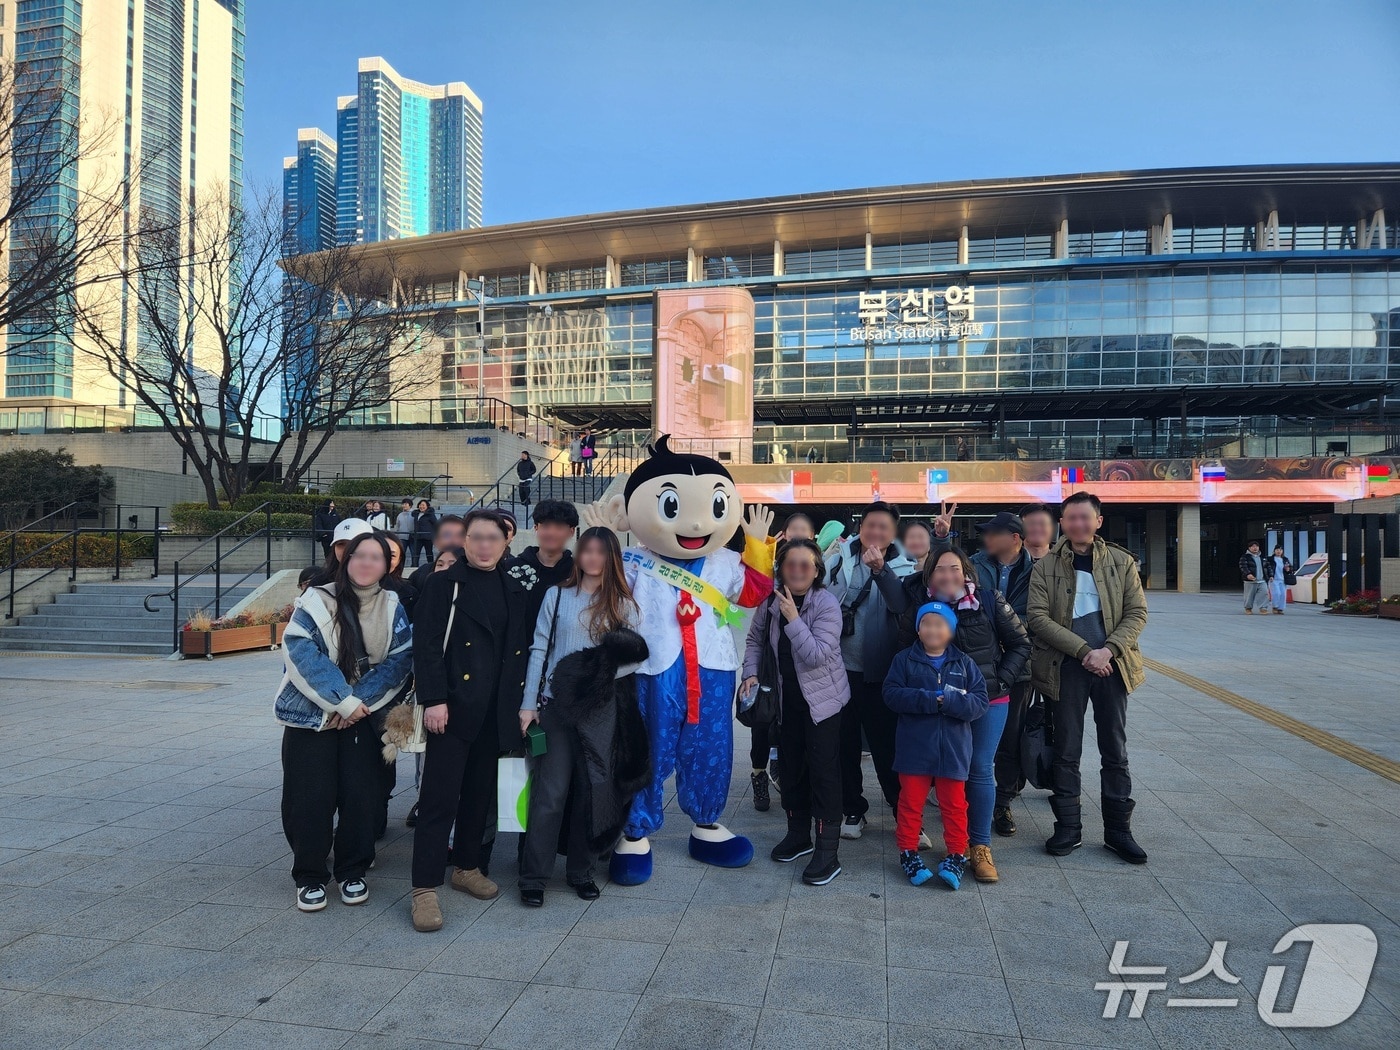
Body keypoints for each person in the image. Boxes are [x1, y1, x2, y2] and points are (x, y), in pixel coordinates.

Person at [408, 509, 539, 932]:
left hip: (497, 711)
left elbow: (520, 649)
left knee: (479, 795)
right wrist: (434, 699)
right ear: (464, 542)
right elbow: (426, 647)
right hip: (454, 706)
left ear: (505, 543)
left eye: (493, 538)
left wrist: (524, 706)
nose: (485, 545)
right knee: (439, 799)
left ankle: (466, 866)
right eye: (477, 537)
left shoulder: (513, 587)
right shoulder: (443, 584)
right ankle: (424, 887)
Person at [275, 532, 413, 912]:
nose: (367, 563)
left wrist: (355, 705)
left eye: (377, 557)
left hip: (363, 718)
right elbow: (302, 652)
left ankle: (353, 870)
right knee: (309, 798)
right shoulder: (316, 599)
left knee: (362, 796)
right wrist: (342, 701)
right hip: (311, 716)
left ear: (388, 565)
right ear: (346, 558)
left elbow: (399, 661)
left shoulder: (392, 605)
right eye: (360, 555)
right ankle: (310, 875)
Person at [517, 527, 646, 905]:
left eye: (601, 552)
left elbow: (633, 659)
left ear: (612, 558)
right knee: (550, 792)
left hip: (601, 710)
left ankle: (581, 871)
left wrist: (597, 678)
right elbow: (539, 649)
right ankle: (533, 877)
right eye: (586, 550)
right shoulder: (556, 596)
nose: (592, 558)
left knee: (594, 792)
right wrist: (528, 704)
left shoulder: (624, 603)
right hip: (555, 707)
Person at [1027, 491, 1149, 864]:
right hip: (1066, 668)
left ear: (1098, 520)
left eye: (1085, 517)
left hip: (1112, 666)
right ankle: (1068, 828)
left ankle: (1118, 831)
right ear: (1061, 523)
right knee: (1066, 749)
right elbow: (1038, 618)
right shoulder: (1045, 565)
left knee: (1115, 749)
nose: (1077, 524)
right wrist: (1084, 652)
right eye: (1070, 518)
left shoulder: (1121, 561)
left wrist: (1107, 651)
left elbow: (1137, 613)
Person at [902, 547, 1028, 883]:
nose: (947, 575)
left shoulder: (989, 599)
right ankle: (954, 844)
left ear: (966, 571)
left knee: (979, 768)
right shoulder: (924, 607)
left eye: (954, 568)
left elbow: (1020, 643)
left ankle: (980, 847)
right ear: (929, 576)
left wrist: (1000, 680)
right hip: (943, 702)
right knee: (946, 771)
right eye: (939, 569)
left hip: (988, 699)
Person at [742, 538, 849, 885]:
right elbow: (755, 640)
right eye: (791, 564)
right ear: (781, 568)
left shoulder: (827, 604)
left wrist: (792, 617)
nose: (798, 571)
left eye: (806, 565)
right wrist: (751, 673)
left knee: (823, 773)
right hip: (786, 701)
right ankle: (798, 834)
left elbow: (817, 655)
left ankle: (827, 852)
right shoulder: (770, 601)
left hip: (822, 705)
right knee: (791, 769)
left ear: (816, 571)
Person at [824, 501, 915, 839]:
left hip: (883, 670)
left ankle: (902, 812)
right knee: (844, 745)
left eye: (884, 528)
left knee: (887, 747)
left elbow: (902, 607)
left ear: (893, 534)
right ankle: (853, 810)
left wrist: (881, 572)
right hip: (841, 669)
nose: (875, 532)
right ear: (861, 527)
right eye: (871, 525)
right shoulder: (838, 558)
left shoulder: (903, 565)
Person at [883, 602, 988, 889]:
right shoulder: (904, 660)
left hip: (953, 750)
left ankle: (955, 853)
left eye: (940, 624)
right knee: (910, 803)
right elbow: (891, 695)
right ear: (918, 629)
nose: (932, 629)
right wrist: (931, 700)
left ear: (951, 630)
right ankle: (908, 851)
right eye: (926, 623)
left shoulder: (964, 663)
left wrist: (950, 701)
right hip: (914, 748)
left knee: (954, 805)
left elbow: (980, 702)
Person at [969, 512, 1037, 838]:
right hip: (977, 667)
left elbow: (1040, 615)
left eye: (993, 533)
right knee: (975, 740)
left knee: (1010, 739)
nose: (987, 539)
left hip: (1018, 669)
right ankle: (972, 798)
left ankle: (1003, 801)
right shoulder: (974, 564)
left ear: (1014, 537)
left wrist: (1004, 623)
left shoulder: (1037, 570)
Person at [407, 514, 466, 592]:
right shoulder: (420, 575)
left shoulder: (478, 573)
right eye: (447, 535)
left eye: (459, 536)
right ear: (436, 542)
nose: (454, 541)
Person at [310, 518, 375, 586]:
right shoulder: (319, 584)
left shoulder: (384, 584)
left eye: (353, 544)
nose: (347, 549)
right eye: (341, 544)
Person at [1240, 540, 1272, 614]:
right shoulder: (1245, 557)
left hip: (1262, 580)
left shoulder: (1262, 557)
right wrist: (1248, 574)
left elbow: (1268, 566)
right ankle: (1248, 608)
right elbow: (1243, 566)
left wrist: (1270, 575)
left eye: (1256, 546)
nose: (1255, 548)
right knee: (1249, 596)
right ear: (1249, 548)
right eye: (1253, 546)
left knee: (1264, 594)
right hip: (1250, 581)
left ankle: (1263, 608)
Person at [412, 500, 438, 567]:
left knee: (429, 553)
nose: (421, 506)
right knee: (416, 553)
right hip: (418, 537)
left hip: (427, 537)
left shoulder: (430, 515)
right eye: (420, 505)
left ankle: (431, 566)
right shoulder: (416, 514)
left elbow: (436, 524)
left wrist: (434, 534)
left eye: (423, 505)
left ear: (427, 506)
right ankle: (414, 566)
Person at [1269, 544, 1293, 614]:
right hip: (1274, 579)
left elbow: (1290, 568)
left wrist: (1288, 569)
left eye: (1280, 550)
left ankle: (1281, 608)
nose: (1279, 551)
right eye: (1277, 550)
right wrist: (1270, 575)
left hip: (1283, 579)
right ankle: (1275, 606)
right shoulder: (1270, 559)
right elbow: (1267, 568)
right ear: (1274, 551)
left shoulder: (1285, 559)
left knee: (1283, 594)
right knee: (1276, 593)